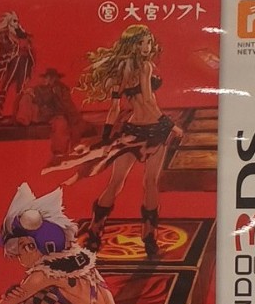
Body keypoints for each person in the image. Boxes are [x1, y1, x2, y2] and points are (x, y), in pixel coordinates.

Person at [75, 24, 182, 260]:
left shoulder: (120, 71)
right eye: (141, 43)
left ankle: (95, 233)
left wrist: (106, 136)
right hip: (154, 129)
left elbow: (114, 108)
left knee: (119, 182)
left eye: (149, 42)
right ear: (132, 45)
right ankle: (149, 239)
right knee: (147, 182)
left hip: (133, 130)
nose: (147, 47)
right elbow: (149, 102)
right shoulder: (145, 66)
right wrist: (170, 125)